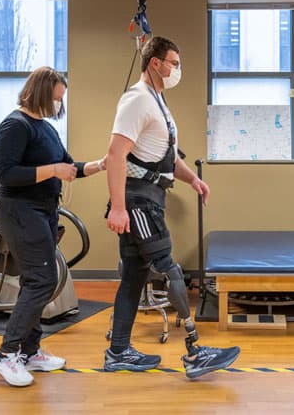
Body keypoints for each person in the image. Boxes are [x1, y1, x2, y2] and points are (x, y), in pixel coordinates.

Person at [104, 36, 240, 379]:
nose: (177, 69)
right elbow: (115, 154)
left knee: (134, 279)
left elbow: (164, 159)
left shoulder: (157, 102)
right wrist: (118, 208)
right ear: (155, 63)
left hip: (149, 198)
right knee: (169, 269)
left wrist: (193, 180)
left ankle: (118, 351)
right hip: (138, 202)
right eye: (174, 63)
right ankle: (195, 351)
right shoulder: (137, 100)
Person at [0, 66, 106, 387]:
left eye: (61, 99)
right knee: (43, 280)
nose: (59, 104)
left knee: (36, 280)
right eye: (56, 98)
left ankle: (30, 351)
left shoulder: (47, 129)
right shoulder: (15, 125)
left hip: (42, 211)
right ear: (40, 92)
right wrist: (52, 169)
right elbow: (7, 174)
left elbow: (70, 167)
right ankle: (6, 354)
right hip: (19, 211)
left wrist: (102, 164)